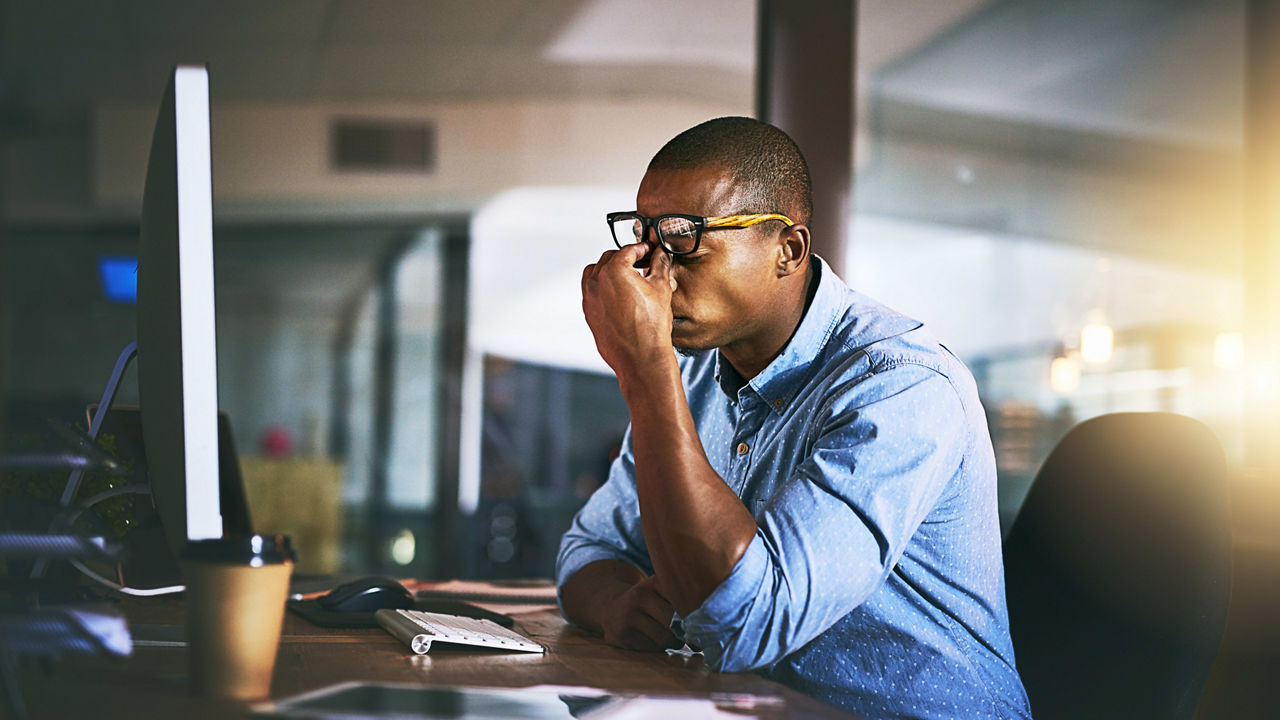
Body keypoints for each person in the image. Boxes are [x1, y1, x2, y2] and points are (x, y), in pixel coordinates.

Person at [556, 116, 1030, 720]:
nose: (653, 271)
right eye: (644, 237)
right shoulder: (700, 374)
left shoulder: (901, 387)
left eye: (684, 239)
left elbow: (745, 619)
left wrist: (645, 369)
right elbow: (589, 548)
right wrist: (617, 605)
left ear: (789, 250)